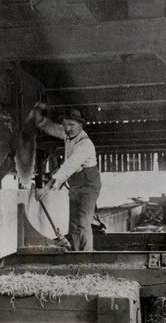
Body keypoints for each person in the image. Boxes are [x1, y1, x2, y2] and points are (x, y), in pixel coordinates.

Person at [31, 103, 101, 251]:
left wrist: (46, 187)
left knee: (83, 223)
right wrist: (38, 117)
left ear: (80, 125)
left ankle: (86, 257)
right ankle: (76, 254)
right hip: (76, 185)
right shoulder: (68, 134)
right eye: (64, 125)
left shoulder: (85, 145)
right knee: (74, 223)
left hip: (88, 186)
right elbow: (50, 127)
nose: (67, 128)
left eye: (71, 125)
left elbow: (67, 168)